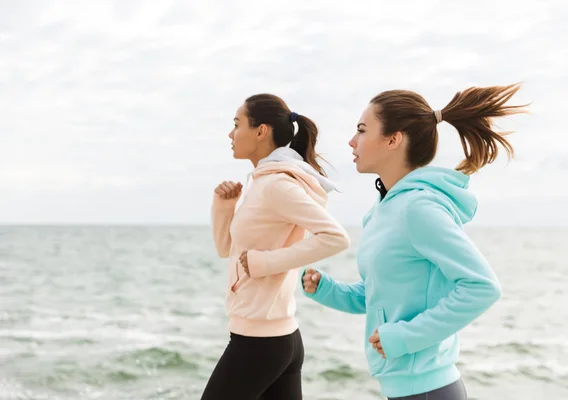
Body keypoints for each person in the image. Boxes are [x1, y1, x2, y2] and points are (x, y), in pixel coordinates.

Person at [301, 84, 529, 400]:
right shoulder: (381, 212)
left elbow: (482, 287)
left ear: (393, 139)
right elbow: (379, 296)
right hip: (404, 390)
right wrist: (326, 289)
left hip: (428, 390)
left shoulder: (418, 208)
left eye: (362, 130)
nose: (352, 141)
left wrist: (405, 337)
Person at [202, 93, 350, 400]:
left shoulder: (276, 185)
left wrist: (263, 263)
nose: (230, 134)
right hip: (276, 338)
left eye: (236, 124)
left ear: (260, 131)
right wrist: (224, 207)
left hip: (260, 342)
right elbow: (227, 250)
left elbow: (335, 237)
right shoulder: (262, 182)